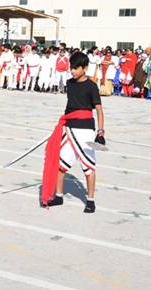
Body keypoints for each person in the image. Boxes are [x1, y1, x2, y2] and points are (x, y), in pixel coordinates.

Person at [42, 51, 104, 213]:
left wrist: (101, 131)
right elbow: (70, 106)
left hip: (85, 131)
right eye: (72, 68)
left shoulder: (92, 86)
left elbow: (98, 110)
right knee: (60, 165)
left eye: (76, 68)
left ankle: (90, 200)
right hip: (69, 128)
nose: (73, 71)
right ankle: (59, 195)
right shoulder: (70, 83)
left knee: (88, 167)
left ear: (85, 68)